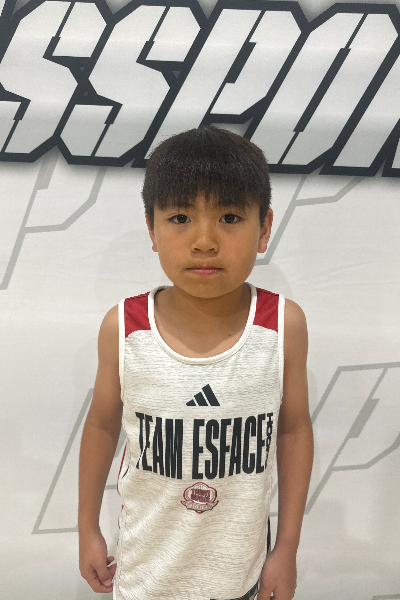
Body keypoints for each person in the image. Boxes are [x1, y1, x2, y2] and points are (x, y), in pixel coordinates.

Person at [78, 126, 314, 600]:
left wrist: (287, 548)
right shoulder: (123, 327)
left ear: (264, 228)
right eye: (181, 217)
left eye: (230, 217)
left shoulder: (282, 324)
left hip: (239, 577)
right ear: (152, 229)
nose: (204, 241)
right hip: (145, 576)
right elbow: (102, 425)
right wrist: (86, 528)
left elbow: (292, 431)